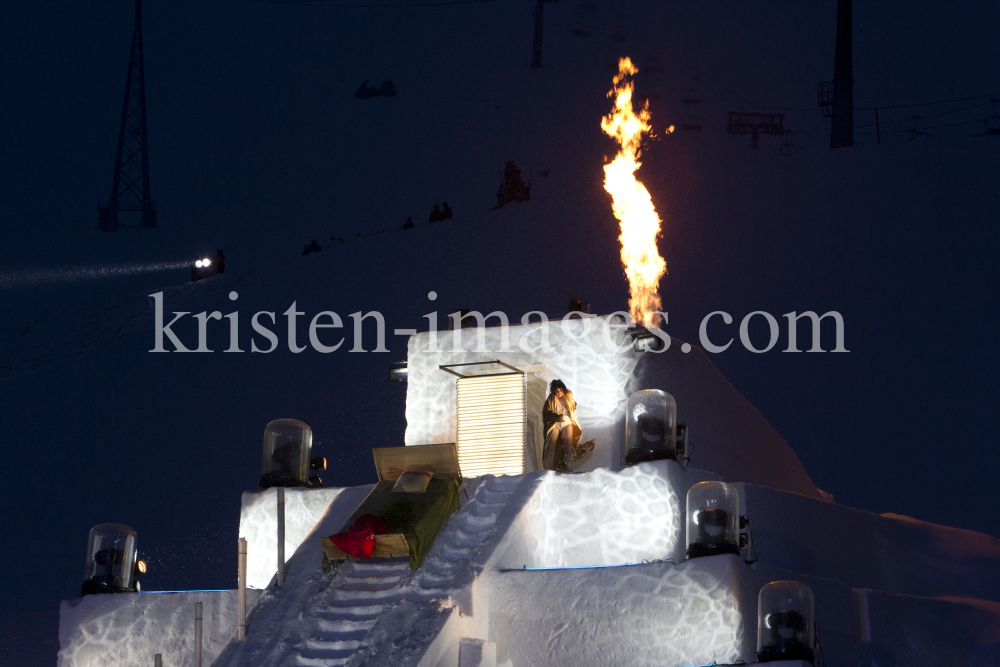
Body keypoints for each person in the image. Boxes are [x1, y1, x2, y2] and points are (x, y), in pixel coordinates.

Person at [542, 380, 593, 472]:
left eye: (561, 390)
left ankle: (570, 468)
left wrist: (572, 406)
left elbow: (572, 406)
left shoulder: (568, 396)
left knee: (568, 445)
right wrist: (557, 417)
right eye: (557, 391)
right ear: (553, 391)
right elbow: (547, 414)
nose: (559, 393)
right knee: (551, 445)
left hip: (566, 421)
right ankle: (550, 468)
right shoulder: (551, 399)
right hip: (555, 423)